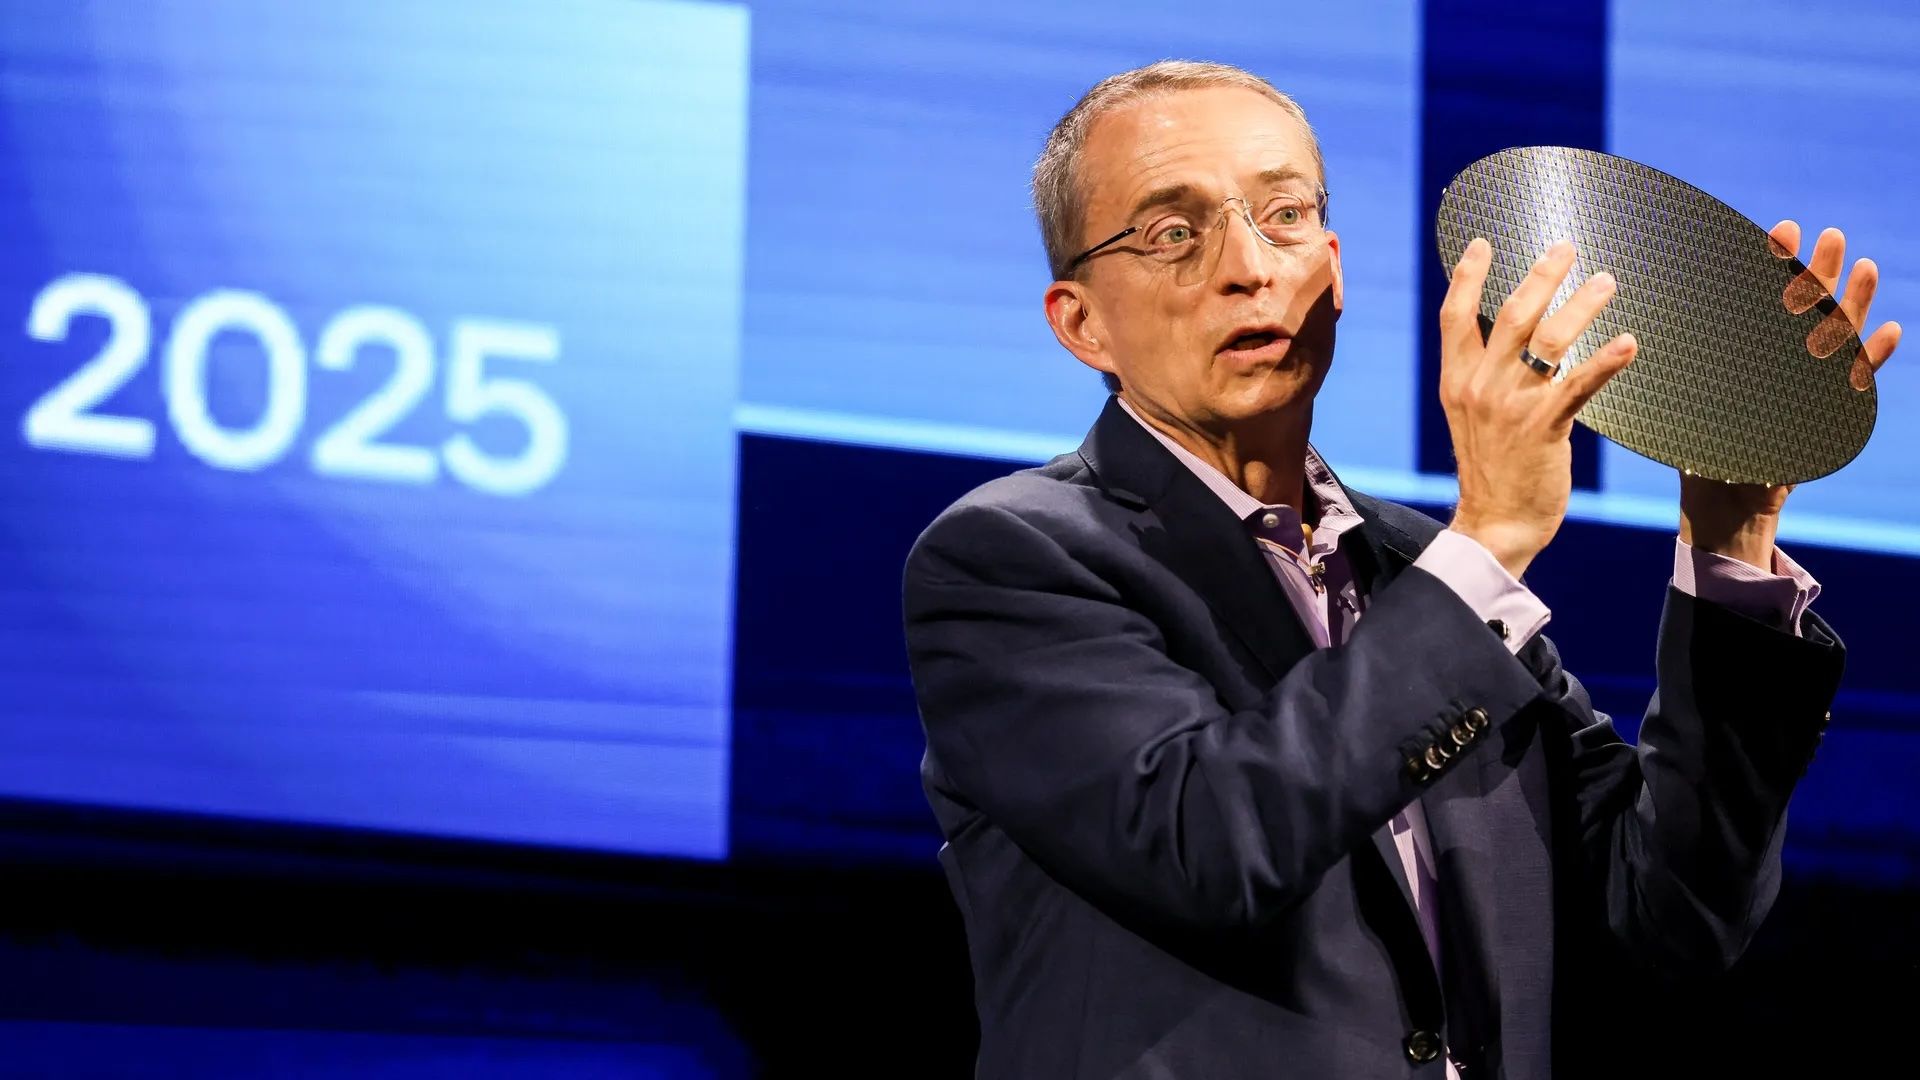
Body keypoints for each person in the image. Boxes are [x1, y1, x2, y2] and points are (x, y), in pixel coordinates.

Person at [900, 60, 1901, 1079]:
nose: (1249, 264)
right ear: (1081, 323)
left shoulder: (1424, 571)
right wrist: (1493, 538)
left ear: (1332, 270)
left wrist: (1727, 543)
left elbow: (1671, 923)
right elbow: (1210, 845)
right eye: (1174, 234)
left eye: (1284, 215)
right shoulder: (1012, 559)